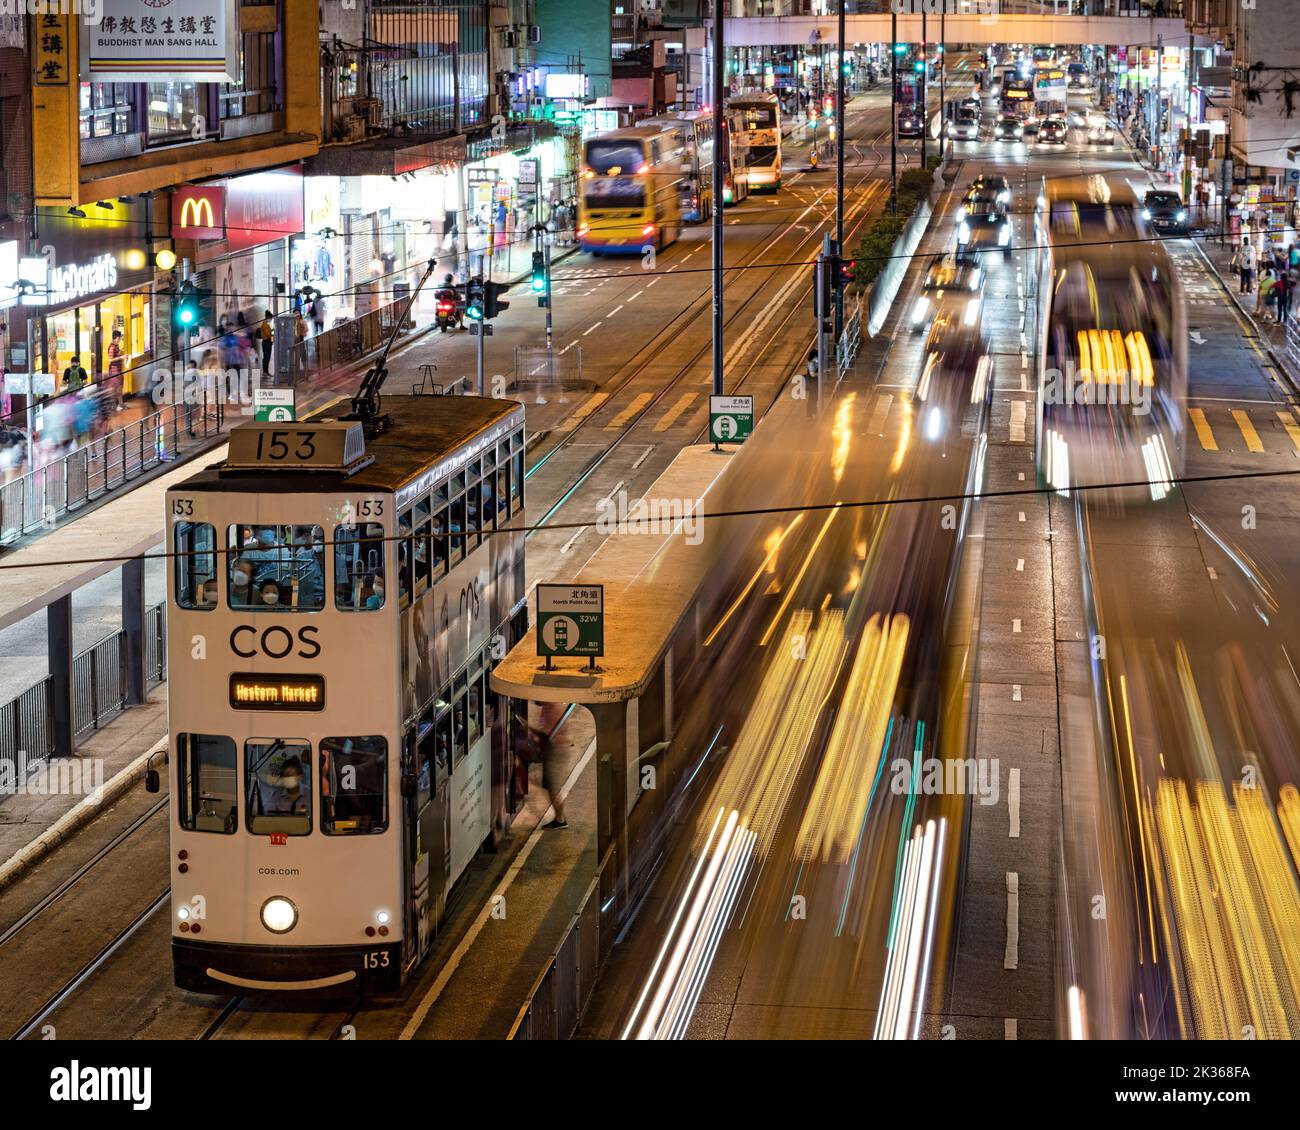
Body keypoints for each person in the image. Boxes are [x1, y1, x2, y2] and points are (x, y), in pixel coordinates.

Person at [106, 330, 125, 408]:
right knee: (115, 388)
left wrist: (121, 355)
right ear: (117, 337)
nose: (120, 339)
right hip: (114, 371)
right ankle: (114, 405)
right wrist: (121, 357)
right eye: (120, 337)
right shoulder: (112, 347)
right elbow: (110, 360)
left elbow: (117, 356)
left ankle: (120, 404)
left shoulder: (116, 346)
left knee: (120, 387)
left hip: (118, 370)